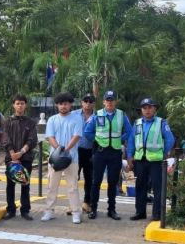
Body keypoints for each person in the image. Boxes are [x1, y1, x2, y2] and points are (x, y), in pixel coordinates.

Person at [84, 90, 132, 220]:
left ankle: (112, 210)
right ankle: (93, 209)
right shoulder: (97, 115)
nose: (109, 102)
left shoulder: (122, 115)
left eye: (112, 100)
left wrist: (120, 139)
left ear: (115, 102)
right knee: (96, 182)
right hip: (100, 152)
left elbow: (129, 131)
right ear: (103, 102)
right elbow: (87, 132)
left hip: (115, 152)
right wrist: (97, 139)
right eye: (107, 100)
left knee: (113, 182)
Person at [128, 98, 174, 221]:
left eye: (150, 107)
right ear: (142, 110)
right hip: (140, 160)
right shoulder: (137, 123)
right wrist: (130, 156)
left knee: (157, 187)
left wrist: (162, 153)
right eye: (144, 108)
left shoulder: (161, 122)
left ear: (154, 109)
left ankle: (156, 213)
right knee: (140, 186)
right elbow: (132, 140)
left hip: (155, 161)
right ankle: (140, 212)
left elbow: (170, 140)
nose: (147, 110)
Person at [42, 93, 85, 224]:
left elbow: (76, 136)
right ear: (57, 105)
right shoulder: (52, 119)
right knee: (52, 186)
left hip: (72, 158)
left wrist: (65, 150)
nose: (63, 106)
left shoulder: (77, 118)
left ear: (70, 104)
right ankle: (49, 211)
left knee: (72, 187)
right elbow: (50, 136)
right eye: (60, 104)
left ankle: (76, 212)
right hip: (55, 158)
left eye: (66, 103)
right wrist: (59, 150)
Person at [1, 94, 38, 221]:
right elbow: (6, 139)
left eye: (22, 103)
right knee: (10, 185)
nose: (20, 106)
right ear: (14, 105)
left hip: (26, 157)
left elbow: (32, 140)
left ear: (25, 105)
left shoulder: (31, 122)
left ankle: (25, 210)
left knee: (25, 184)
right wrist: (13, 155)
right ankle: (11, 210)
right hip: (11, 159)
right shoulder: (8, 121)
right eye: (17, 103)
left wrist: (21, 153)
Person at [72, 93, 97, 215]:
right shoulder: (73, 115)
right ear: (82, 102)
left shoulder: (98, 117)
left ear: (94, 103)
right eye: (85, 101)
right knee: (73, 178)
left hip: (90, 151)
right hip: (75, 150)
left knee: (89, 178)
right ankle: (73, 204)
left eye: (90, 101)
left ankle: (87, 203)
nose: (88, 103)